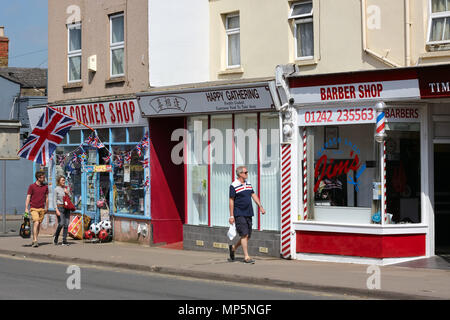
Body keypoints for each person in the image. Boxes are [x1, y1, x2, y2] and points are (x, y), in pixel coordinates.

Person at [228, 166, 265, 264]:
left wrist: (260, 206)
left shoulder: (248, 184)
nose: (247, 174)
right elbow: (231, 201)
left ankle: (233, 248)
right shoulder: (234, 185)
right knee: (244, 234)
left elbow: (253, 195)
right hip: (239, 213)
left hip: (248, 212)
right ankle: (246, 257)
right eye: (245, 172)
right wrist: (231, 216)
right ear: (240, 174)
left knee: (247, 236)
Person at [25, 171, 49, 247]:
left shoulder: (45, 187)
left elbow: (47, 198)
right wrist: (26, 208)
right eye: (42, 177)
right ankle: (35, 240)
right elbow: (28, 197)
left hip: (42, 208)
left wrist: (47, 207)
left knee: (38, 225)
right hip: (33, 208)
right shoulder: (32, 186)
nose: (44, 178)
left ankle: (35, 238)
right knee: (36, 222)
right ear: (38, 178)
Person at [53, 176, 71, 246]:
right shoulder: (56, 189)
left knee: (66, 224)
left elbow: (70, 198)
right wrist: (56, 210)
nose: (64, 181)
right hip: (60, 208)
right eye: (62, 180)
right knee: (61, 223)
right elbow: (54, 201)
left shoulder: (66, 188)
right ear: (59, 181)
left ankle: (64, 240)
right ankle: (56, 237)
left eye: (64, 180)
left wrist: (67, 193)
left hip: (67, 208)